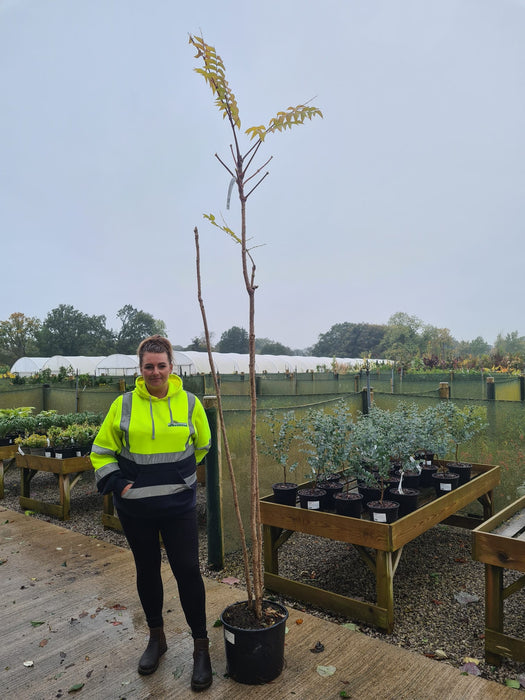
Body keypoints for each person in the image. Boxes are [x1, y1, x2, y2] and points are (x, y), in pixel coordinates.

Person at [90, 335, 212, 691]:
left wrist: (181, 479)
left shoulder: (190, 404)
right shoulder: (123, 404)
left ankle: (200, 648)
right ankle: (156, 639)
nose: (155, 372)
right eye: (148, 366)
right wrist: (118, 484)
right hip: (135, 508)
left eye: (161, 365)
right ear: (139, 369)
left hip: (178, 506)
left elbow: (202, 445)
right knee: (147, 569)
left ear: (172, 367)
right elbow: (101, 450)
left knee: (188, 570)